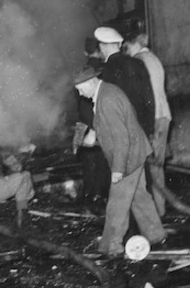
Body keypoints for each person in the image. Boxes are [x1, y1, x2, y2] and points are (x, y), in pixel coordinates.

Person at [73, 65, 167, 257]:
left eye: (80, 88)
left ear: (91, 82)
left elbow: (122, 137)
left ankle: (112, 246)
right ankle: (156, 234)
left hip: (128, 157)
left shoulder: (106, 99)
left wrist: (118, 169)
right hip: (136, 150)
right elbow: (116, 124)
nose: (79, 92)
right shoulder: (105, 92)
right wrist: (94, 134)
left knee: (117, 203)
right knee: (138, 196)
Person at [124, 32, 172, 217]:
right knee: (155, 166)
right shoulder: (153, 58)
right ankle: (158, 211)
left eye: (126, 47)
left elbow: (145, 96)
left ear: (134, 44)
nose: (126, 52)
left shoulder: (139, 61)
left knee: (152, 167)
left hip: (154, 118)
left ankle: (157, 213)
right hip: (162, 115)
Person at [93, 26, 155, 138]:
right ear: (120, 45)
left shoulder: (106, 70)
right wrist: (149, 128)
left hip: (121, 130)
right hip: (142, 127)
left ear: (102, 47)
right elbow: (149, 98)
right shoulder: (138, 63)